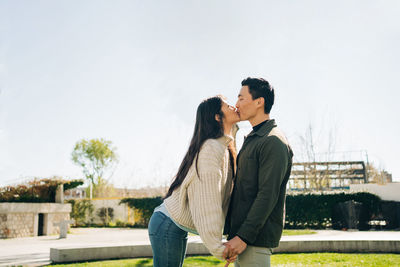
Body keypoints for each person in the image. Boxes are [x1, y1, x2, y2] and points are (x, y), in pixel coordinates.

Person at [148, 95, 240, 267]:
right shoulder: (211, 149)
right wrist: (218, 247)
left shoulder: (224, 148)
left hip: (172, 226)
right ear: (217, 117)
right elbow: (208, 201)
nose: (234, 107)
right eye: (228, 106)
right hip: (166, 225)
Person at [223, 77, 293, 267]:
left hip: (254, 241)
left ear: (259, 102)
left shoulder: (273, 141)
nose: (236, 104)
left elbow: (267, 195)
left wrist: (243, 237)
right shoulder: (254, 138)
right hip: (243, 240)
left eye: (241, 98)